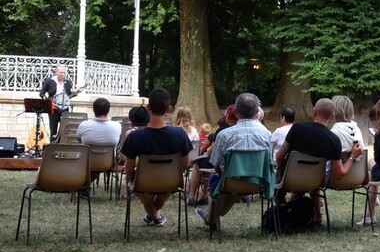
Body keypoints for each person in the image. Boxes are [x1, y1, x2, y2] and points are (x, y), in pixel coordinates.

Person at [276, 98, 362, 225]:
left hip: (288, 179)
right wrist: (353, 157)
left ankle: (280, 214)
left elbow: (279, 156)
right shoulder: (333, 140)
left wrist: (280, 170)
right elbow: (339, 173)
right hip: (315, 181)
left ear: (314, 112)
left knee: (278, 186)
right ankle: (313, 216)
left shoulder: (297, 128)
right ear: (333, 116)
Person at [195, 93, 271, 227]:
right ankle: (210, 217)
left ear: (235, 111)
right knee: (225, 178)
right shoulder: (266, 134)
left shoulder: (224, 135)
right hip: (258, 183)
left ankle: (210, 218)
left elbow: (215, 163)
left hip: (229, 183)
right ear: (256, 112)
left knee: (219, 179)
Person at [121, 88, 193, 227]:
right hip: (170, 182)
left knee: (146, 196)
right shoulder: (180, 134)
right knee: (163, 192)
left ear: (148, 108)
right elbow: (185, 164)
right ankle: (155, 216)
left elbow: (129, 168)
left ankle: (155, 217)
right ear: (169, 109)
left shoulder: (135, 137)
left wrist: (131, 179)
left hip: (143, 183)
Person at [76, 97, 122, 187]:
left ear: (93, 109)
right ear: (108, 110)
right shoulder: (117, 126)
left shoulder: (84, 125)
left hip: (88, 162)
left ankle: (83, 185)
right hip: (109, 163)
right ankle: (84, 185)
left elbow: (79, 140)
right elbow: (118, 141)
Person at [39, 64, 83, 141]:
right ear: (56, 72)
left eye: (64, 73)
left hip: (64, 108)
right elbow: (41, 93)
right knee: (53, 129)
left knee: (65, 129)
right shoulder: (50, 81)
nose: (62, 74)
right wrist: (48, 101)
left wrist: (77, 92)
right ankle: (52, 146)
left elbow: (68, 95)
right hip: (54, 108)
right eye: (61, 72)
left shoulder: (67, 83)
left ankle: (62, 146)